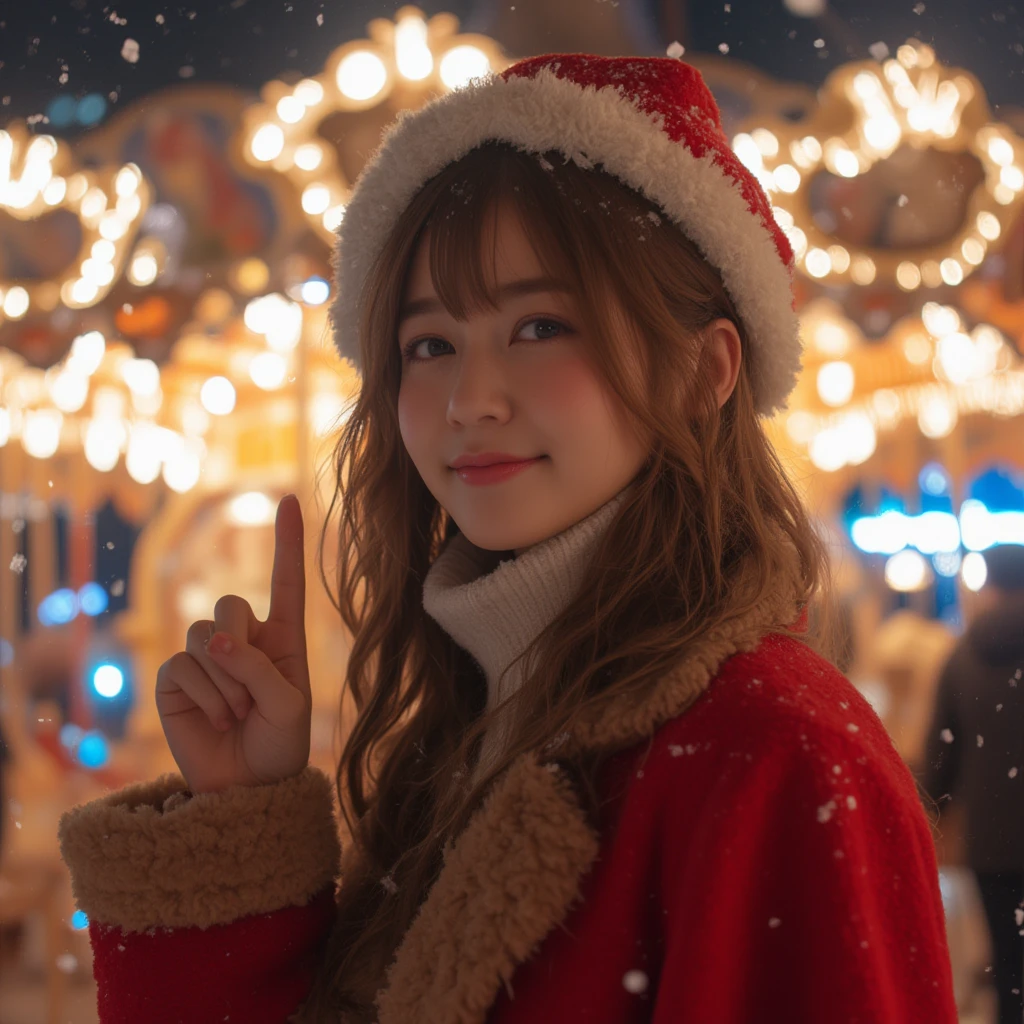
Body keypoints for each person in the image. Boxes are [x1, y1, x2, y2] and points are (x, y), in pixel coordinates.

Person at [58, 54, 957, 1023]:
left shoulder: (778, 754)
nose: (468, 401)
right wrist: (240, 826)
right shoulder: (462, 742)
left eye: (538, 327)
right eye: (430, 344)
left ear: (705, 369)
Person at [923, 543, 1024, 1024]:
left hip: (994, 837)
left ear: (990, 585)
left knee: (1008, 961)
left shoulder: (963, 655)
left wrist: (932, 813)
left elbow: (941, 752)